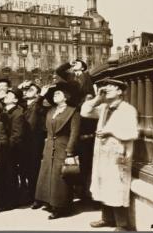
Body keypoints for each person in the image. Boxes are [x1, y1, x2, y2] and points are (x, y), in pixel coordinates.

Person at [81, 78, 139, 231]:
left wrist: (110, 131)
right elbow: (85, 111)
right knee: (103, 184)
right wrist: (97, 99)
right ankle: (107, 218)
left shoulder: (128, 109)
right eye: (105, 87)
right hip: (103, 153)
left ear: (120, 91)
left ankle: (122, 225)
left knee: (116, 186)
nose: (107, 89)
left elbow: (132, 132)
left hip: (118, 153)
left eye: (111, 87)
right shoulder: (104, 107)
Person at [34, 82, 81, 219]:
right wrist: (40, 96)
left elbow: (74, 133)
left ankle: (61, 207)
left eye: (58, 93)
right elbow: (37, 109)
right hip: (49, 147)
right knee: (48, 175)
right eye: (54, 94)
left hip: (63, 146)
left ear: (66, 97)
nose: (55, 95)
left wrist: (70, 151)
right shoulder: (51, 110)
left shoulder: (73, 111)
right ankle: (49, 202)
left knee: (60, 177)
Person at [56, 59, 97, 202]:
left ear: (84, 66)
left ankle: (86, 192)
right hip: (73, 110)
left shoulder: (87, 76)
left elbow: (90, 94)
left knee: (85, 157)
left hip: (83, 113)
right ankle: (78, 190)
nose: (76, 64)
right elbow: (59, 71)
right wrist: (69, 64)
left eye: (79, 62)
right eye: (75, 63)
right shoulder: (71, 77)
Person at [18, 81, 47, 208]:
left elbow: (37, 109)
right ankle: (28, 195)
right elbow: (15, 97)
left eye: (31, 89)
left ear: (38, 94)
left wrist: (41, 96)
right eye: (27, 89)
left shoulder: (40, 104)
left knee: (34, 170)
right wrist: (19, 88)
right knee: (24, 170)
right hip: (24, 142)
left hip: (35, 141)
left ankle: (37, 198)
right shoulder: (23, 105)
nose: (27, 91)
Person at [0, 88, 26, 209]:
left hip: (11, 150)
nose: (5, 96)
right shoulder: (4, 111)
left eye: (9, 95)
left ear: (15, 99)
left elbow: (17, 135)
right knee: (5, 175)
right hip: (4, 147)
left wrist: (6, 147)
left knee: (11, 175)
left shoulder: (18, 113)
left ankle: (11, 201)